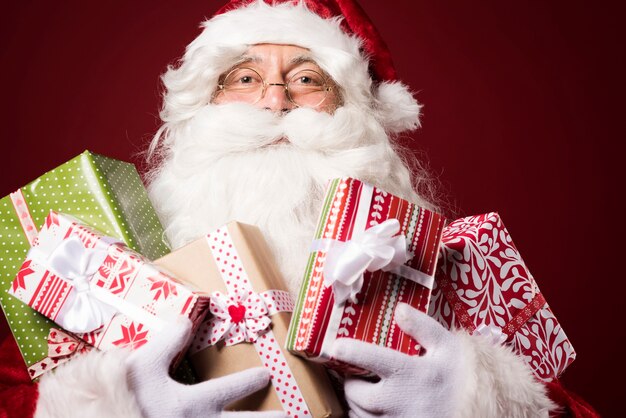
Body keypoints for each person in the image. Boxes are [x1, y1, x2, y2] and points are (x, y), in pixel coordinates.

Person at [0, 0, 599, 417]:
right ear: (201, 108)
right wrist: (112, 406)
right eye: (243, 78)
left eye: (308, 79)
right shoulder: (113, 259)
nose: (275, 100)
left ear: (353, 114)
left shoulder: (445, 270)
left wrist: (472, 402)